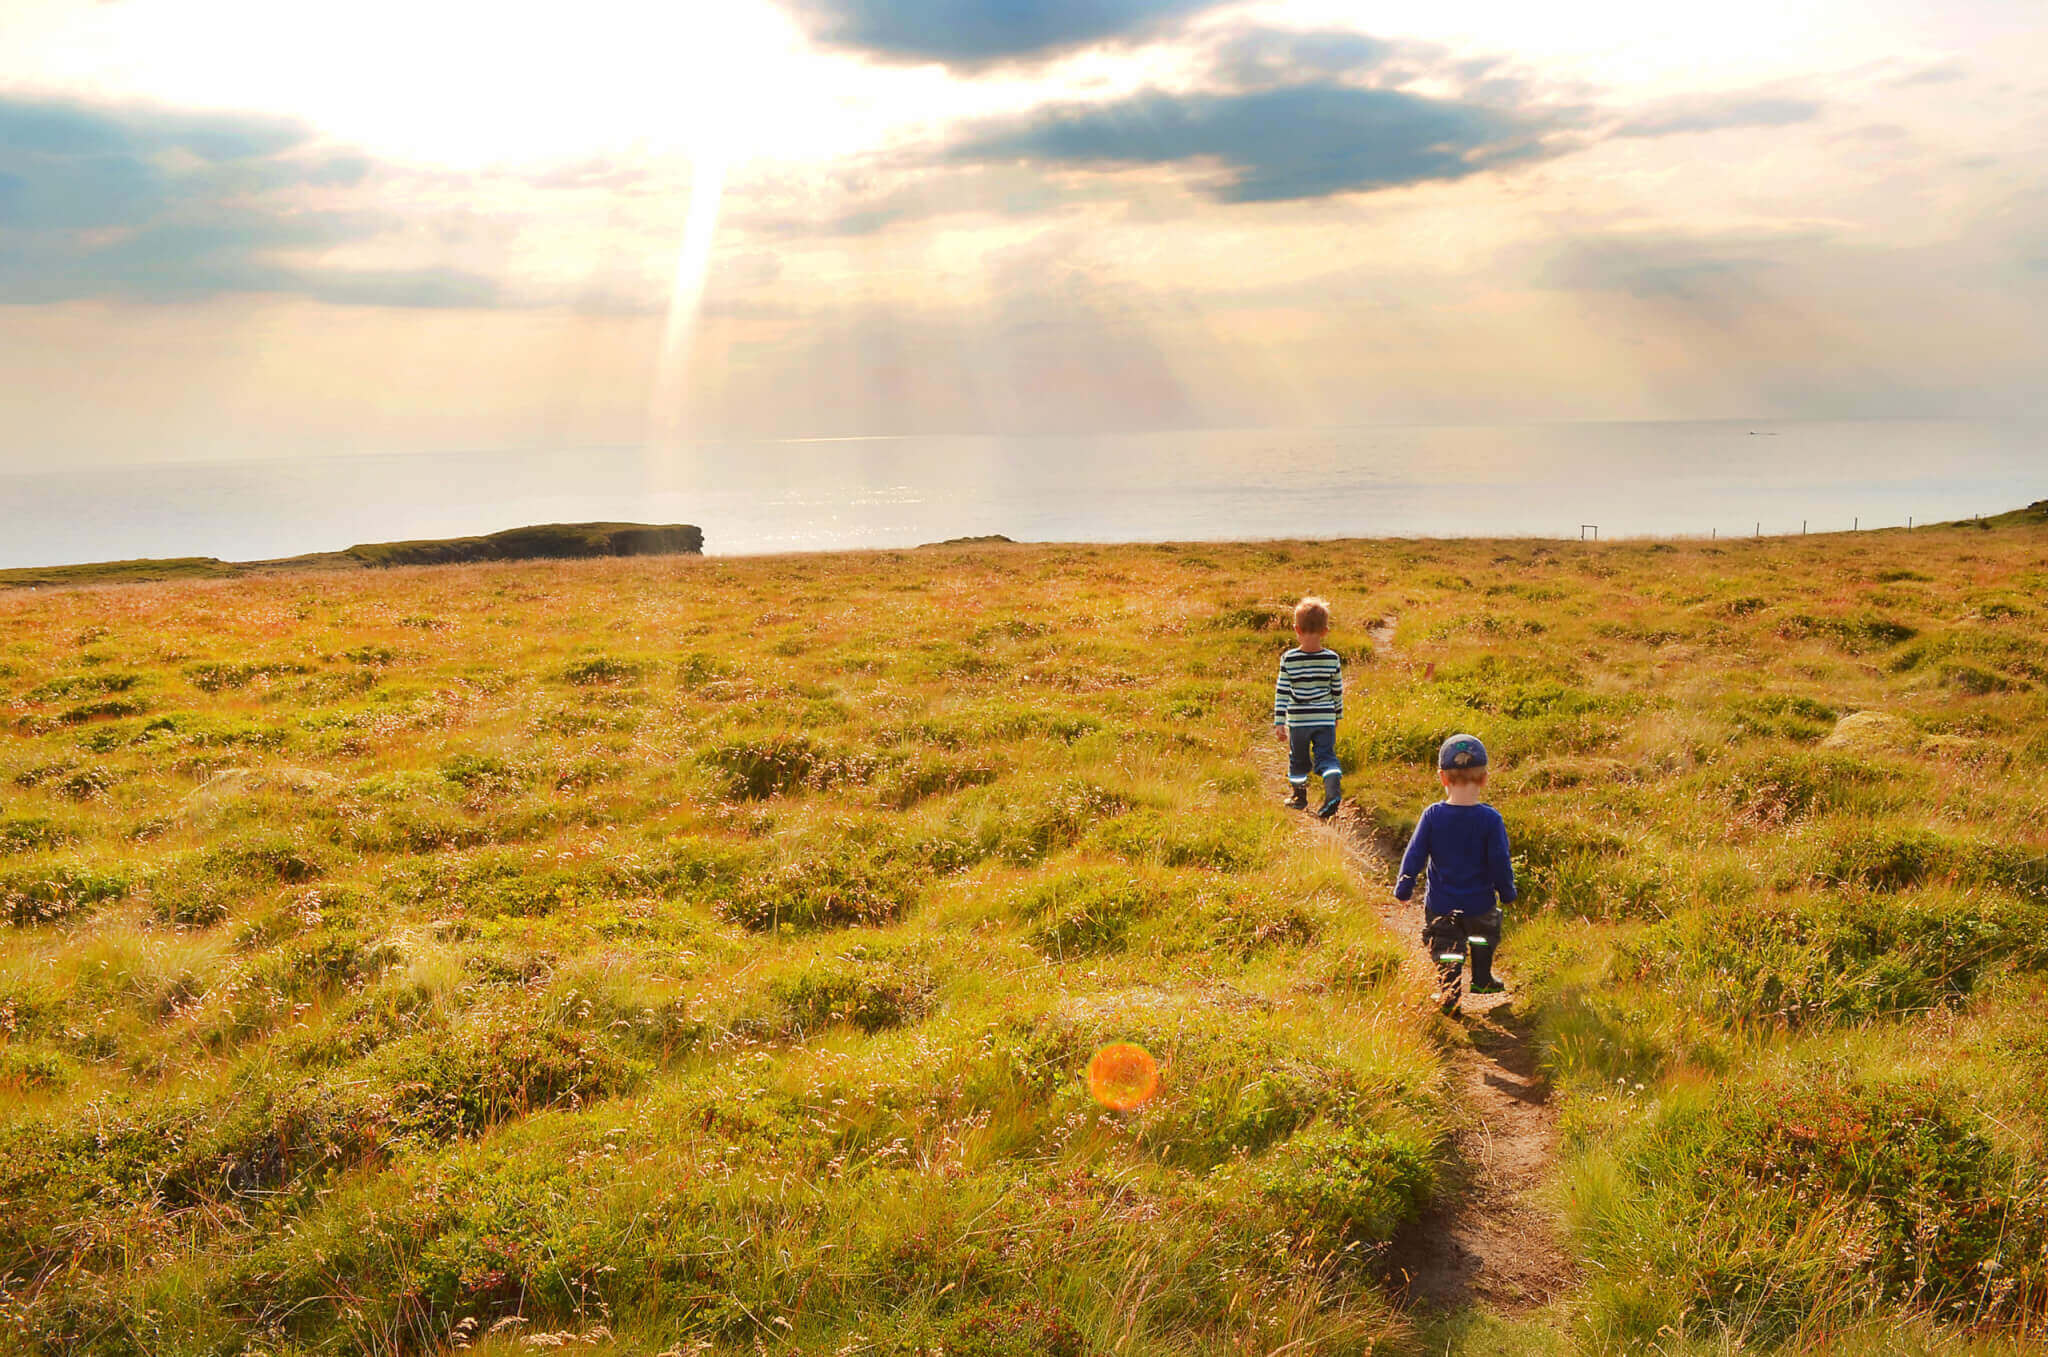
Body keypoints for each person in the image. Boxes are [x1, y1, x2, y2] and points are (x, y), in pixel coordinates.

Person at [1393, 734, 1515, 998]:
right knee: (1483, 936)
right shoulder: (1491, 819)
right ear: (1484, 778)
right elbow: (1500, 861)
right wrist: (1507, 892)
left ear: (1442, 777)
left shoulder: (1432, 816)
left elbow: (1415, 854)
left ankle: (1449, 991)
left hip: (1441, 904)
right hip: (1480, 904)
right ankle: (1482, 978)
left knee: (1446, 945)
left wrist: (1404, 887)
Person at [1271, 596, 1344, 819]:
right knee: (1326, 756)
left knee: (1298, 759)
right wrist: (1337, 715)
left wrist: (1279, 721)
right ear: (1325, 631)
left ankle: (1299, 797)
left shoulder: (1289, 659)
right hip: (1325, 718)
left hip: (1299, 721)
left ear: (1297, 629)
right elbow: (1337, 690)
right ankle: (1332, 789)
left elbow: (1282, 691)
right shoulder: (1332, 659)